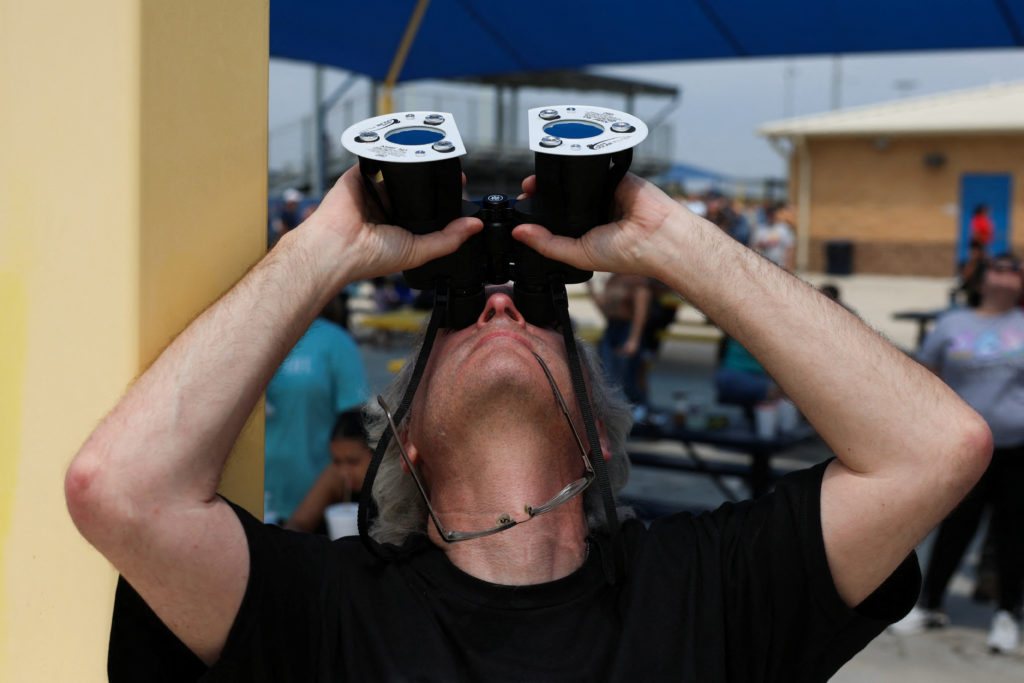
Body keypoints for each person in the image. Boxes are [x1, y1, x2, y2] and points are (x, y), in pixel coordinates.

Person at [66, 163, 992, 681]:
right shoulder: (321, 606)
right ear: (406, 438)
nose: (501, 307)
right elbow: (119, 490)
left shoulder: (706, 588)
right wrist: (323, 249)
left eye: (540, 309)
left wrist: (669, 241)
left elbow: (936, 447)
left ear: (595, 434)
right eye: (461, 310)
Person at [892, 252, 1024, 653]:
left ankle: (1007, 614)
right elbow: (924, 375)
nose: (1005, 276)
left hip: (1017, 450)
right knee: (954, 529)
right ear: (981, 281)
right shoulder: (952, 323)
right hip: (964, 451)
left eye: (1013, 269)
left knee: (1013, 535)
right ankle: (931, 604)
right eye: (997, 269)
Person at [263, 306, 368, 524]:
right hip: (255, 494)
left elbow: (356, 425)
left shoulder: (334, 341)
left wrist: (342, 477)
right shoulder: (248, 339)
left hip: (320, 496)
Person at [284, 410, 372, 534]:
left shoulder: (394, 485)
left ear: (377, 454)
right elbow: (298, 523)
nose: (343, 472)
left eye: (353, 461)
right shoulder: (335, 477)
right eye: (337, 461)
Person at [588, 273, 652, 411]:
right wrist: (590, 287)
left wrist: (634, 339)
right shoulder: (614, 279)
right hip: (612, 327)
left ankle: (642, 410)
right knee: (607, 374)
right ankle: (613, 411)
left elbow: (641, 312)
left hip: (627, 328)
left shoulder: (637, 280)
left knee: (628, 377)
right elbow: (605, 309)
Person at [752, 203, 796, 270]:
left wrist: (789, 266)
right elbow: (754, 246)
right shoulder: (760, 229)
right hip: (763, 266)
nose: (771, 216)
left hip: (780, 266)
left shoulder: (784, 229)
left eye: (773, 214)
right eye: (769, 214)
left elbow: (790, 248)